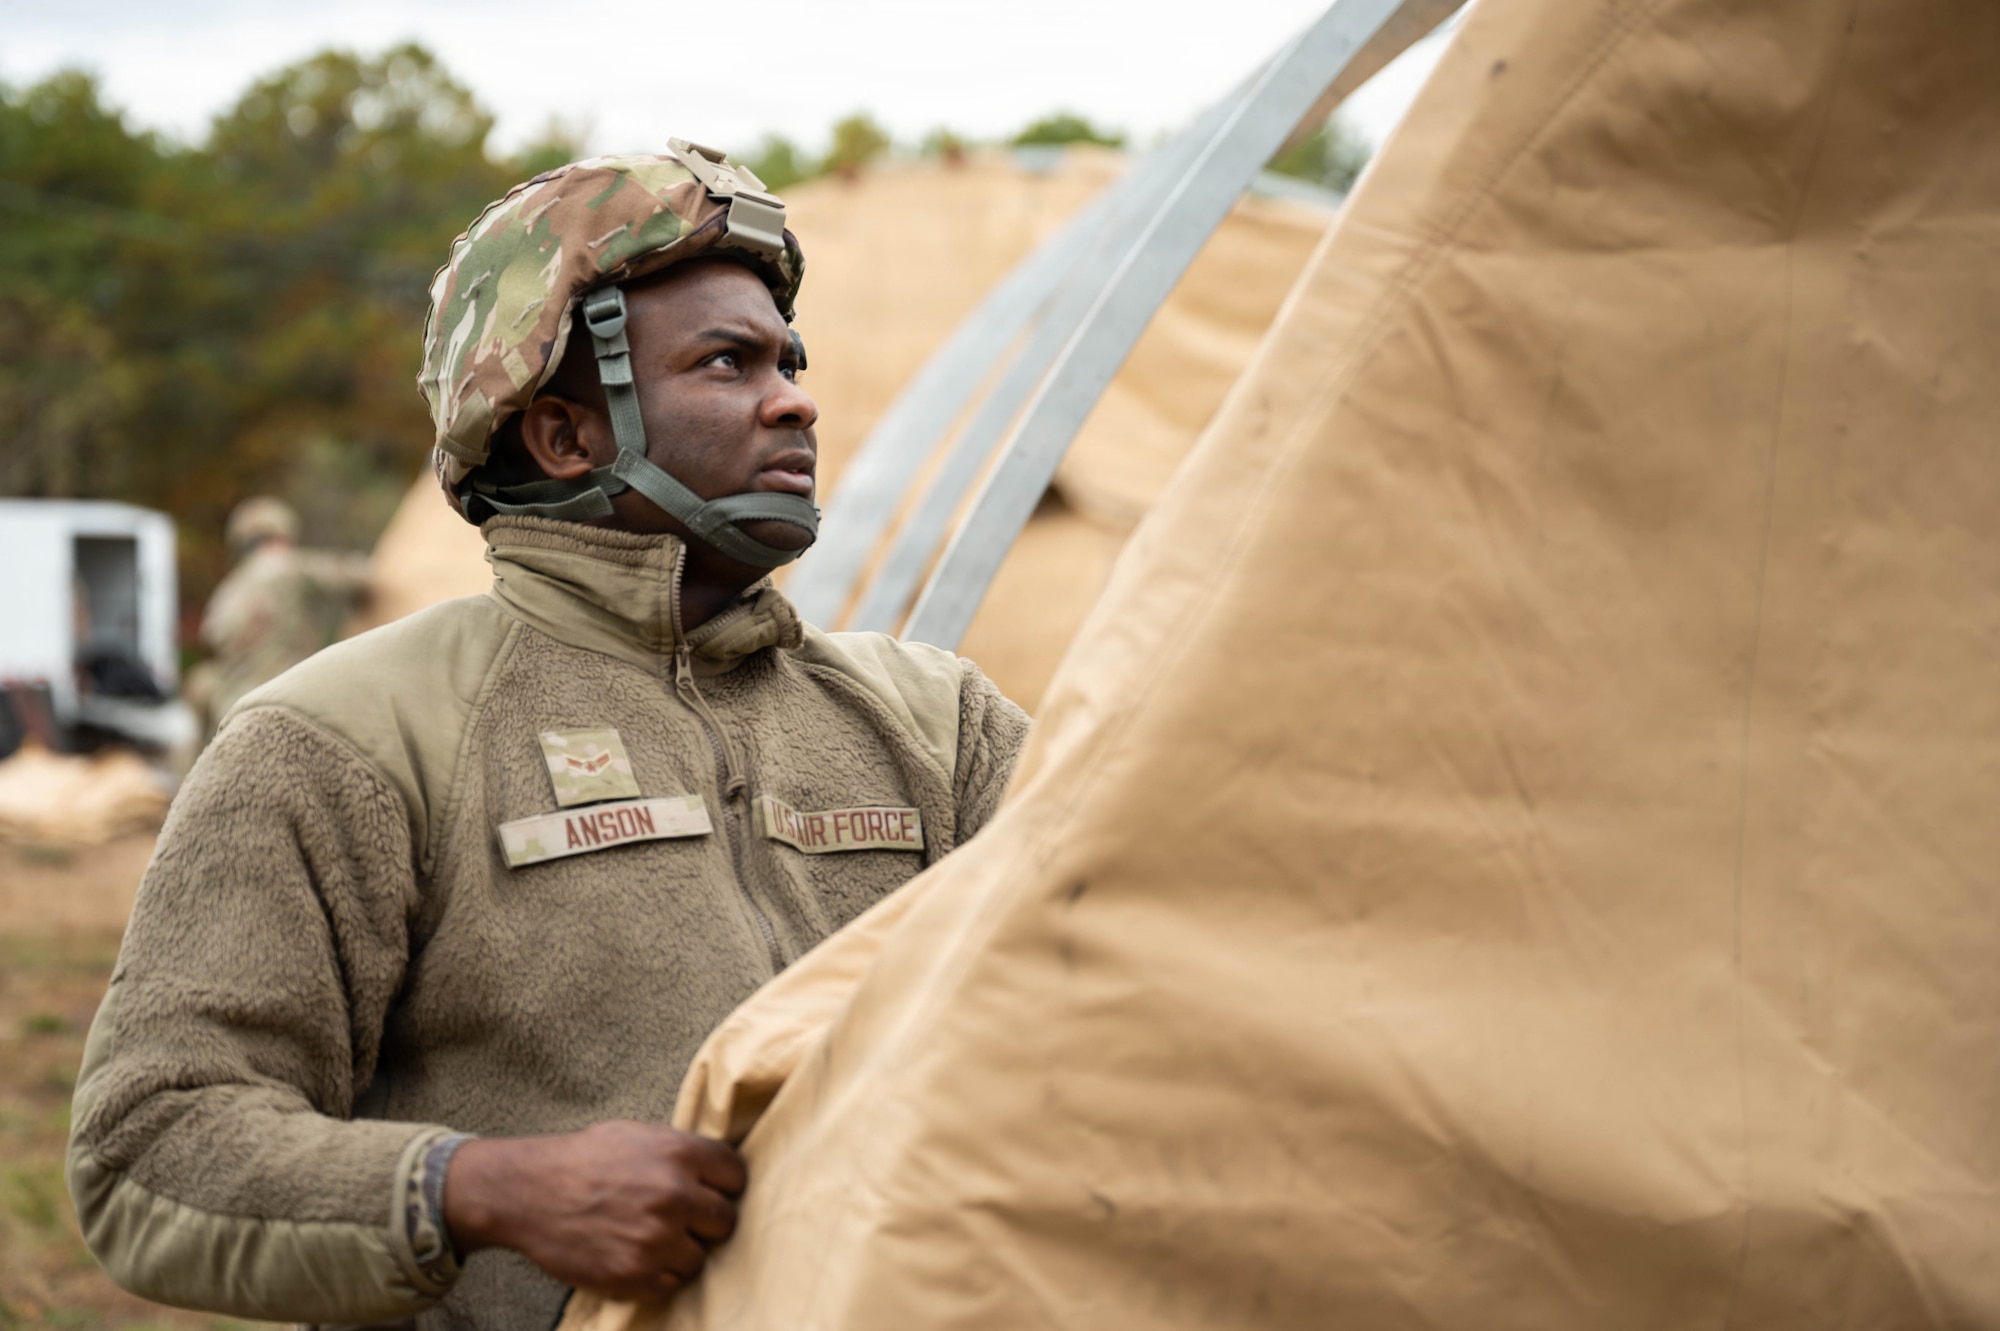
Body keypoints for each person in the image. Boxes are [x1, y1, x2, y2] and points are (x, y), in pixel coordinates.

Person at [66, 143, 1030, 1331]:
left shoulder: (939, 721)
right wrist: (480, 1189)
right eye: (726, 363)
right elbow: (148, 1142)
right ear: (566, 438)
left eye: (786, 358)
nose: (795, 398)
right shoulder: (348, 739)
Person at [187, 495, 371, 740]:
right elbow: (355, 577)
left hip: (233, 714)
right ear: (279, 535)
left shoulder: (226, 592)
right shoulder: (281, 566)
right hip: (283, 708)